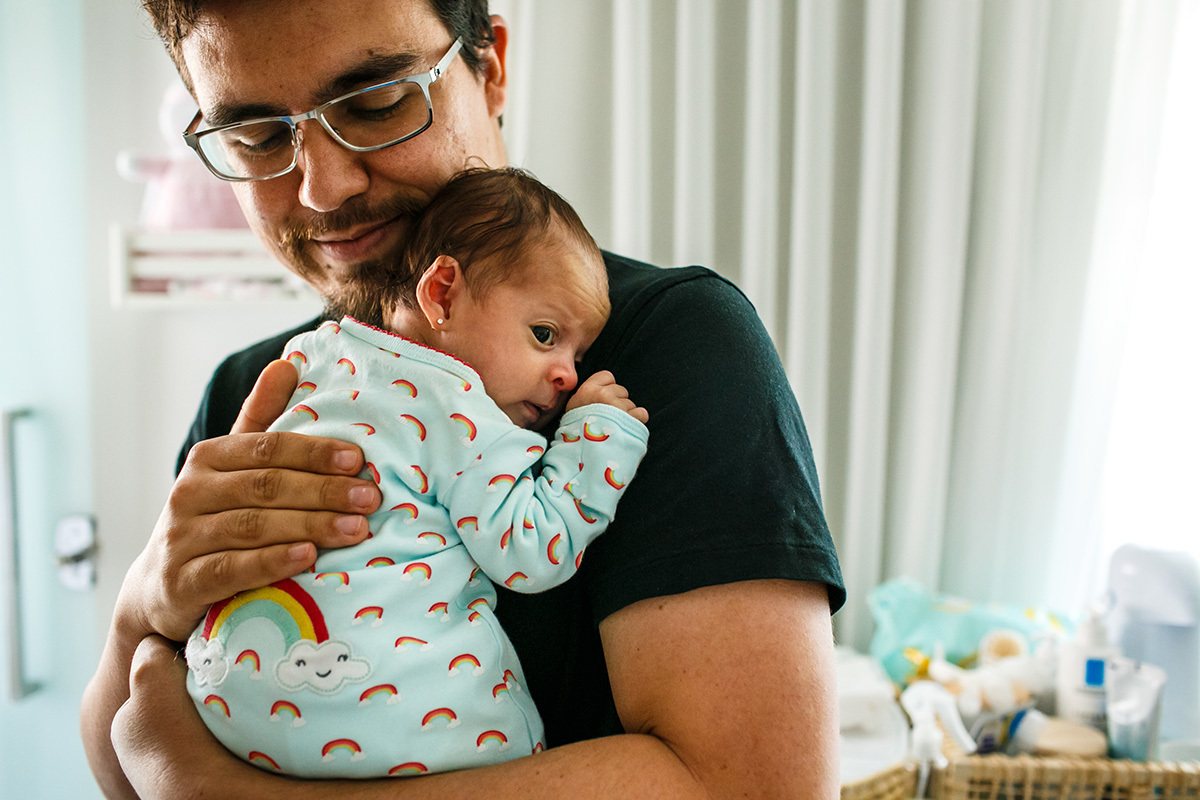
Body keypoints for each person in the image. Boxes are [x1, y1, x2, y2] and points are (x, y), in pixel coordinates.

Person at [80, 1, 847, 798]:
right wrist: (142, 603)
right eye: (258, 138)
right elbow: (125, 763)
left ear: (492, 67)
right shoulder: (258, 389)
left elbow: (757, 786)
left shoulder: (667, 348)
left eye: (376, 103)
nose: (323, 188)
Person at [183, 166, 650, 779]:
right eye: (545, 335)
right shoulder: (464, 413)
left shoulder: (317, 356)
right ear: (443, 293)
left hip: (226, 697)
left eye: (578, 356)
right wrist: (594, 438)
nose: (567, 375)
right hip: (396, 724)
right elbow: (532, 551)